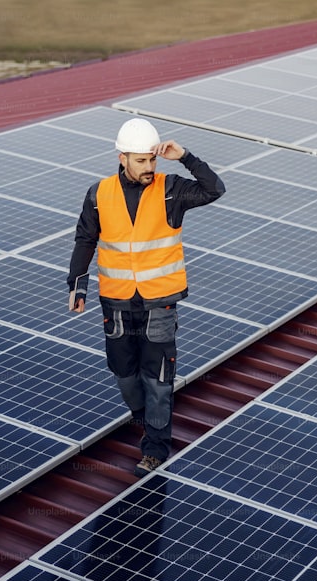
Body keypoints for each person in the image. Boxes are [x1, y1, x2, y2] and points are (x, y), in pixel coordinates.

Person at [67, 117, 225, 477]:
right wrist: (77, 285)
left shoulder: (171, 190)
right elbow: (85, 239)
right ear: (122, 157)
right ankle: (144, 416)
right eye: (141, 161)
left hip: (160, 302)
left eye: (152, 159)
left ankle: (155, 446)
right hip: (117, 300)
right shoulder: (99, 193)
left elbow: (215, 189)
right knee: (123, 373)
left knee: (157, 379)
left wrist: (183, 156)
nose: (149, 167)